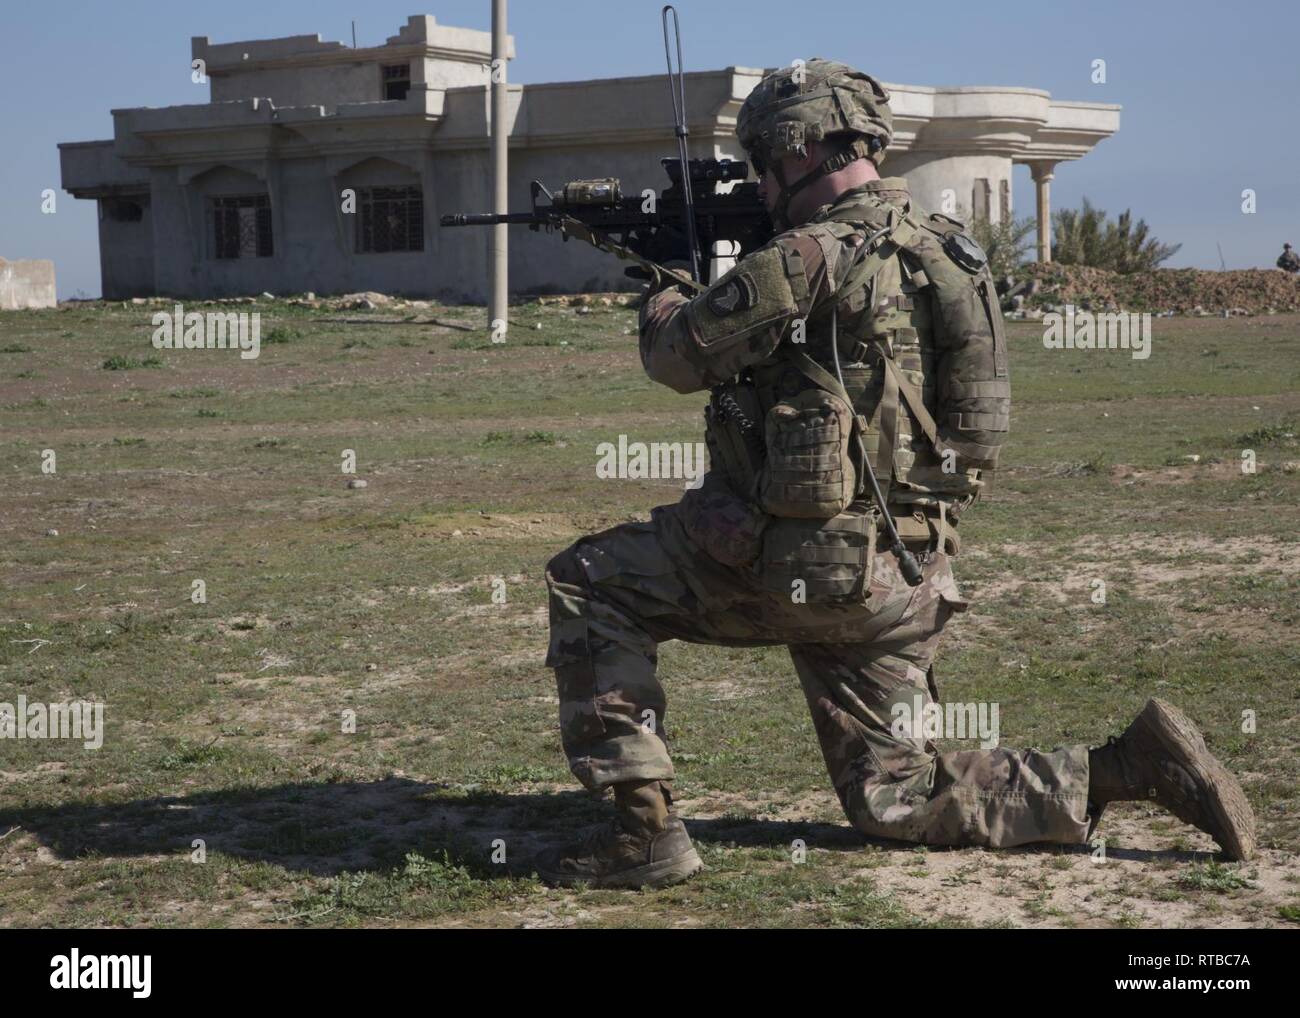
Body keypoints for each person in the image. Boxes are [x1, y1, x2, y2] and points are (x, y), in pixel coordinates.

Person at [534, 60, 1255, 889]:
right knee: (895, 797)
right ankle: (1127, 769)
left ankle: (645, 836)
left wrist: (665, 291)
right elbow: (979, 426)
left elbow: (677, 358)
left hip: (797, 568)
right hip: (907, 576)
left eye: (765, 161)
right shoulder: (951, 251)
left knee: (589, 580)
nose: (761, 182)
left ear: (798, 150)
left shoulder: (806, 256)